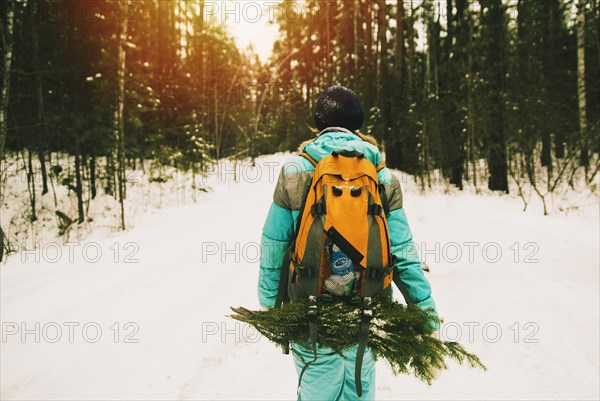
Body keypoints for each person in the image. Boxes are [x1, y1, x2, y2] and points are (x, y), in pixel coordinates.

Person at [258, 85, 440, 401]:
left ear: (317, 123)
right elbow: (402, 252)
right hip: (366, 309)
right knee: (358, 389)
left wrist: (269, 301)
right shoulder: (381, 177)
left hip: (309, 309)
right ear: (358, 123)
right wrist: (425, 314)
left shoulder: (295, 171)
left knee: (316, 390)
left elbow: (274, 243)